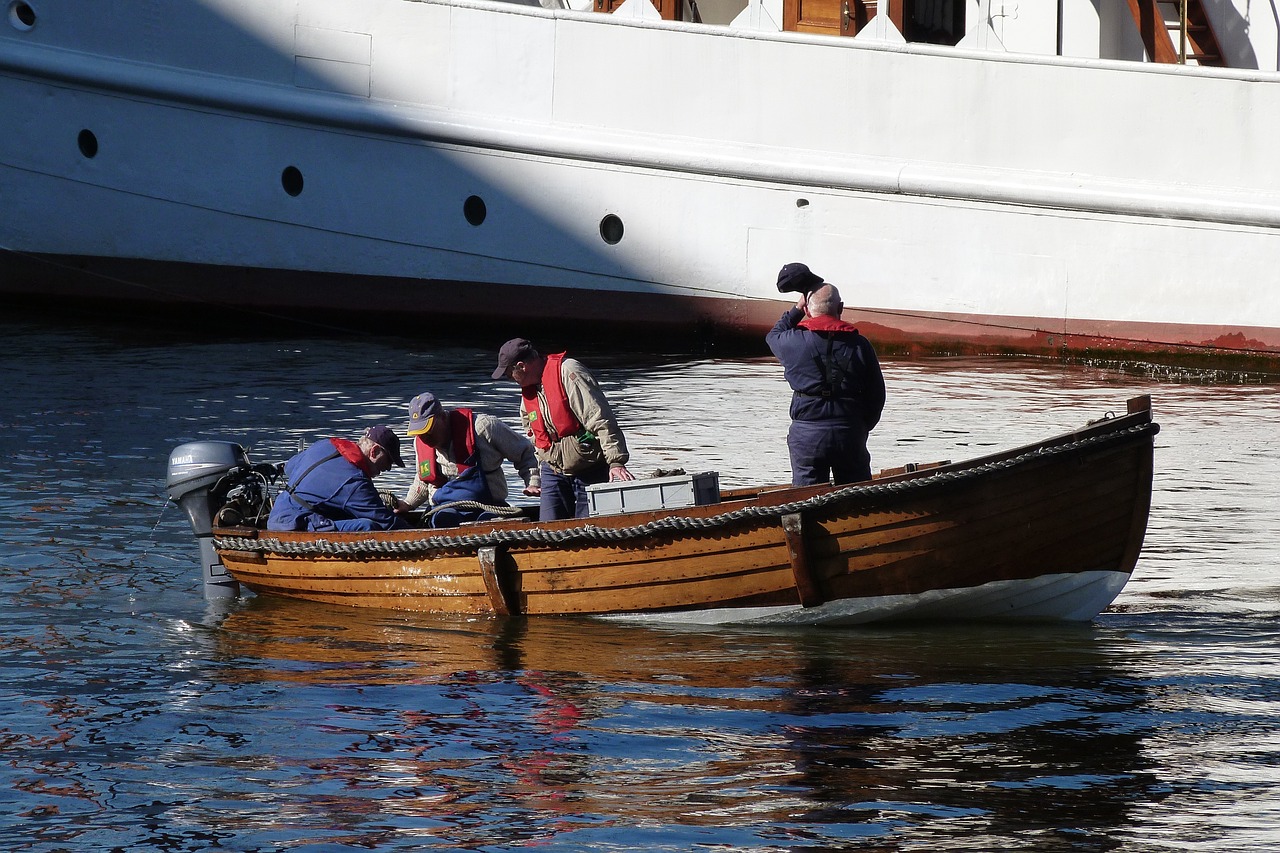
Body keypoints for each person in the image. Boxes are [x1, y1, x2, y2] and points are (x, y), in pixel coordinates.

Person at [766, 263, 886, 486]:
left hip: (807, 435)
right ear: (840, 307)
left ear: (808, 310)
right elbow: (877, 395)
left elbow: (774, 334)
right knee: (857, 497)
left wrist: (796, 309)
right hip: (849, 432)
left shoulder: (792, 342)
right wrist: (860, 426)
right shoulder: (861, 345)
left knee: (806, 501)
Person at [492, 338, 635, 520]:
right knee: (547, 530)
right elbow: (535, 436)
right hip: (553, 471)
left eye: (508, 373)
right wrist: (535, 479)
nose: (508, 378)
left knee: (589, 531)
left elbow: (599, 418)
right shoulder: (528, 392)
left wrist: (616, 462)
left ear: (521, 366)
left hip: (589, 468)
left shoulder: (569, 372)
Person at [396, 391, 542, 528]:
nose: (425, 437)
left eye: (428, 430)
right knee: (443, 520)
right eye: (420, 432)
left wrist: (533, 481)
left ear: (442, 417)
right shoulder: (420, 442)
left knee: (490, 524)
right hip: (444, 511)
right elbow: (423, 479)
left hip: (489, 507)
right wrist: (408, 504)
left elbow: (525, 452)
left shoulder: (483, 427)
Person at [267, 425, 411, 532]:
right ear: (374, 451)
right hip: (294, 526)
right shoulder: (355, 483)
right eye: (388, 461)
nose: (388, 468)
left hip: (276, 516)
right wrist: (415, 532)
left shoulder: (323, 445)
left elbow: (289, 467)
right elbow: (387, 522)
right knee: (368, 526)